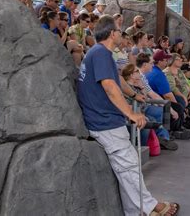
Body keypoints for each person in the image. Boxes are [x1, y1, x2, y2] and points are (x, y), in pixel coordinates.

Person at [76, 15, 179, 216]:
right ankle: (149, 207)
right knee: (129, 164)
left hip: (105, 118)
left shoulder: (101, 54)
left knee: (128, 164)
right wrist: (131, 113)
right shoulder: (101, 54)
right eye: (118, 31)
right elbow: (109, 87)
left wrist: (134, 95)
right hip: (104, 121)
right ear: (112, 33)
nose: (122, 35)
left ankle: (137, 209)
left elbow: (117, 79)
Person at [146, 50, 190, 140]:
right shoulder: (159, 74)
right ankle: (174, 130)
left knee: (178, 103)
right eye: (165, 60)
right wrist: (177, 109)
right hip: (156, 101)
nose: (167, 61)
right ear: (160, 61)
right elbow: (168, 95)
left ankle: (177, 128)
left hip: (154, 99)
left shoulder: (151, 71)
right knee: (178, 106)